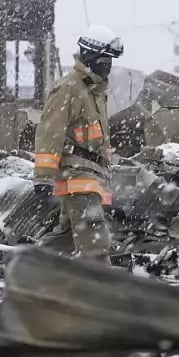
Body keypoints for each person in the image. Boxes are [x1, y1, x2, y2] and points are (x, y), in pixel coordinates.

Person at [32, 25, 122, 260]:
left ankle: (29, 266)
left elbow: (99, 141)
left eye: (110, 61)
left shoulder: (94, 90)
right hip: (78, 176)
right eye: (105, 60)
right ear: (90, 57)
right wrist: (43, 176)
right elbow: (49, 133)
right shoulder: (69, 88)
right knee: (95, 242)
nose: (109, 66)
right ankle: (101, 290)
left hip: (93, 174)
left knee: (67, 237)